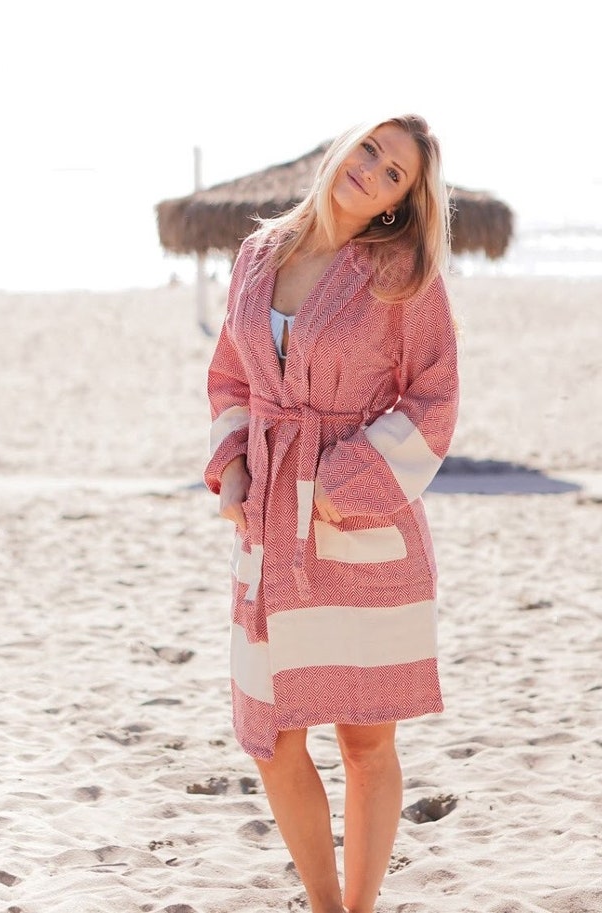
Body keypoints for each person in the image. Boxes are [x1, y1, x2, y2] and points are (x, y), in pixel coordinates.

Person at [204, 113, 459, 913]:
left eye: (394, 174)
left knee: (365, 737)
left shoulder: (402, 274)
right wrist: (234, 467)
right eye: (371, 150)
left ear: (398, 203)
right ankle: (323, 903)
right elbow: (231, 375)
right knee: (273, 737)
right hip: (269, 524)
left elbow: (436, 396)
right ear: (344, 146)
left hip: (363, 525)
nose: (372, 171)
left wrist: (341, 485)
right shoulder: (258, 254)